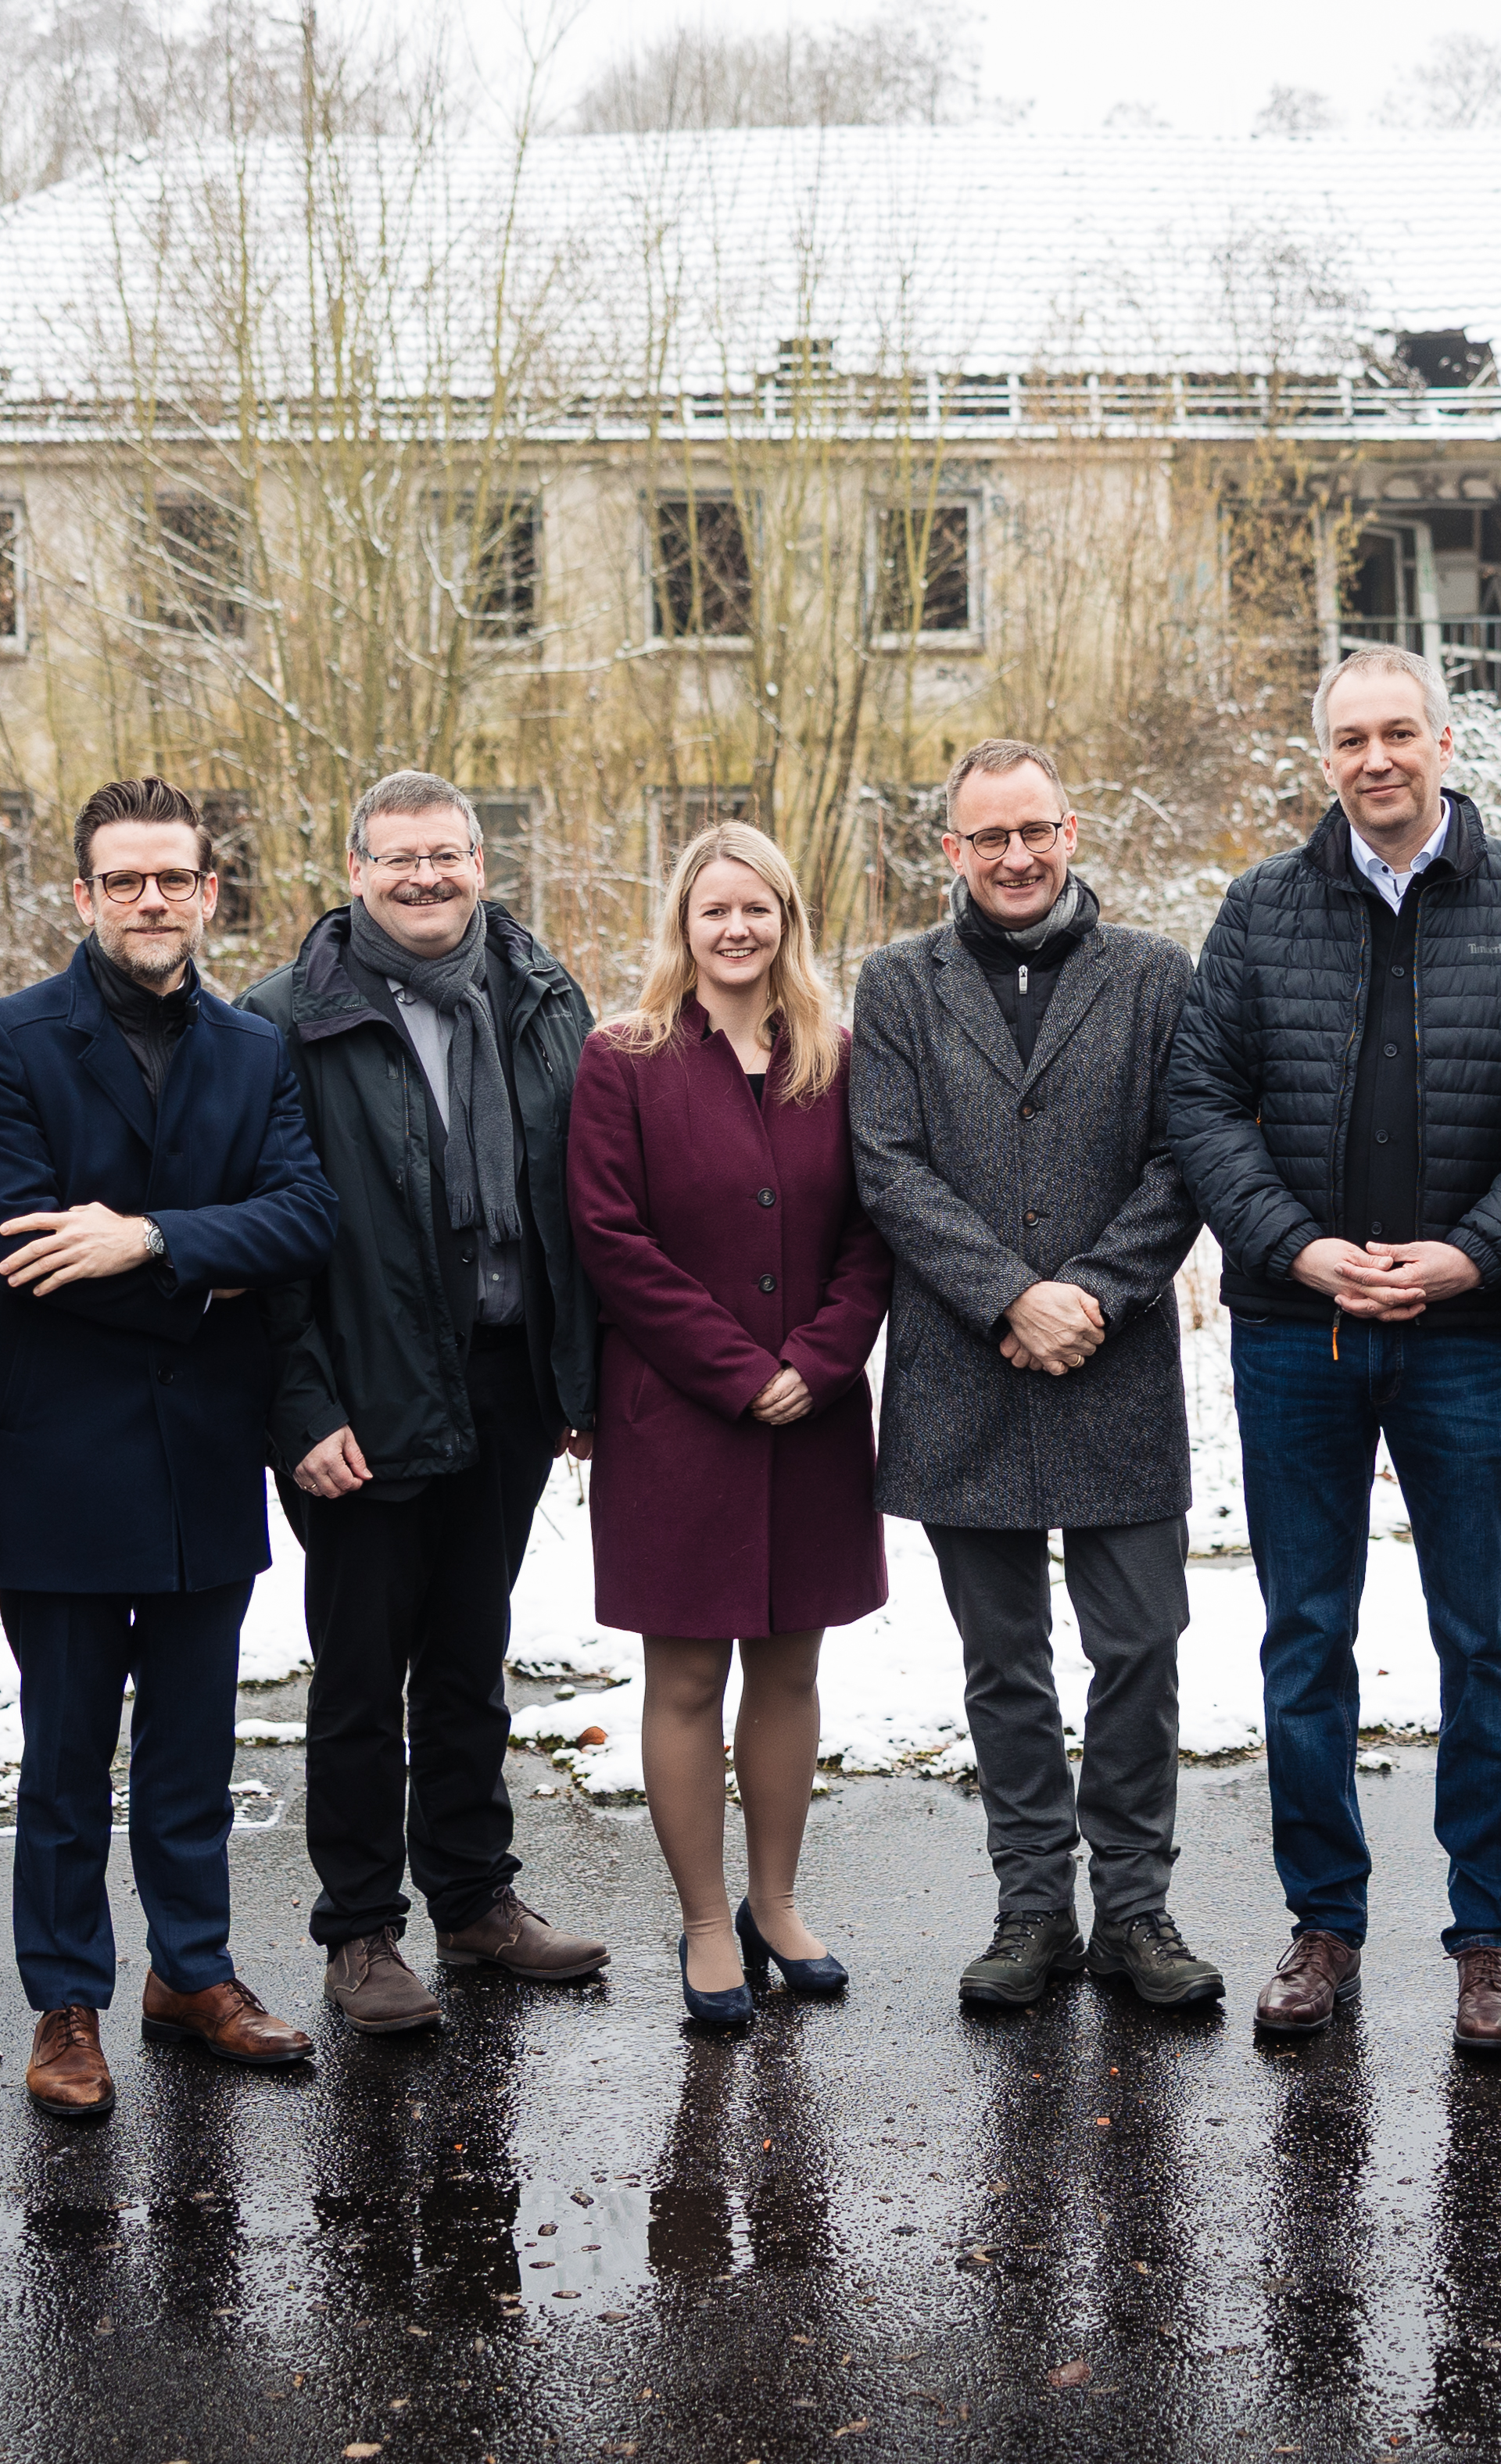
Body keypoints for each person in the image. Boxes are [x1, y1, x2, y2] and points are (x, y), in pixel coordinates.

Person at [1166, 644, 1501, 2052]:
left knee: (1480, 1638)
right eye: (1350, 739)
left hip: (1467, 1334)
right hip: (1297, 1333)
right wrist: (1296, 1248)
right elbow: (1204, 1102)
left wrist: (1474, 1254)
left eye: (1399, 735)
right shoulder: (1260, 908)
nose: (1377, 759)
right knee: (1306, 1637)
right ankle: (1325, 1926)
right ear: (1326, 760)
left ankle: (1490, 1936)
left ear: (1442, 739)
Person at [0, 777, 340, 2116]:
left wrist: (150, 1237)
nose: (152, 901)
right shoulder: (4, 1045)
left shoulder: (251, 1049)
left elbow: (304, 1218)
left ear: (209, 893)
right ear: (84, 895)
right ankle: (67, 2002)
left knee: (191, 1746)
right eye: (125, 881)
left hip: (203, 1454)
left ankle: (194, 1972)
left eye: (173, 878)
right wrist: (201, 1259)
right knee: (64, 1754)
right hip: (59, 1452)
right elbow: (18, 1249)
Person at [847, 740, 1220, 2011]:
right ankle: (1029, 1909)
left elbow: (1188, 1158)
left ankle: (1135, 1909)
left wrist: (1092, 1296)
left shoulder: (1155, 976)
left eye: (1035, 832)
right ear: (949, 849)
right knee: (1003, 1663)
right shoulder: (897, 985)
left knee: (1140, 1646)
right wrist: (1011, 1293)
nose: (1015, 857)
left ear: (1073, 831)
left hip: (1114, 1368)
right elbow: (886, 1163)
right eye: (986, 837)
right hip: (966, 1367)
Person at [243, 772, 609, 2032]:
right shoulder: (284, 1021)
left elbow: (586, 1204)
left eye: (446, 856)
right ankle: (358, 1932)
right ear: (353, 871)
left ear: (480, 863)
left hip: (505, 1374)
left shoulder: (547, 999)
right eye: (397, 859)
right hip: (362, 1390)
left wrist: (580, 1377)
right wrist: (299, 1412)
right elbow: (264, 1247)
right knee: (358, 1670)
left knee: (470, 1650)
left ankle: (474, 1900)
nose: (424, 879)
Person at [568, 822, 895, 2029]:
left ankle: (777, 1901)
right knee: (689, 1673)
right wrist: (734, 1368)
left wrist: (817, 1359)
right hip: (679, 1420)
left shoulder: (838, 1057)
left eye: (759, 909)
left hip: (812, 1413)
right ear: (685, 926)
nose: (738, 930)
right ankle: (707, 1922)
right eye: (716, 912)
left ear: (789, 920)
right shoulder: (626, 1059)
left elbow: (873, 1230)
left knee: (793, 1666)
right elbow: (610, 1240)